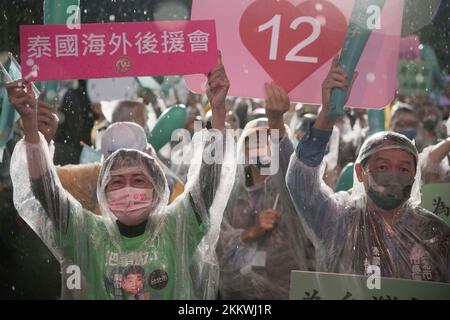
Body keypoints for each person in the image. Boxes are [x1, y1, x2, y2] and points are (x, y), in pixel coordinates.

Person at [7, 53, 236, 299]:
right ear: (103, 192)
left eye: (138, 180)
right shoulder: (87, 233)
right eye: (117, 182)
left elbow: (207, 184)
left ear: (157, 188)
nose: (128, 189)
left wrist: (219, 110)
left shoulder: (178, 227)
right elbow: (46, 191)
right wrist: (30, 128)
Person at [286, 56, 450, 282]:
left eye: (403, 169)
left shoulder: (434, 231)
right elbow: (301, 183)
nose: (393, 175)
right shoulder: (338, 220)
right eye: (383, 166)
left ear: (414, 175)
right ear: (360, 172)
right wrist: (326, 116)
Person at [217, 82, 313, 299]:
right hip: (238, 296)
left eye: (268, 140)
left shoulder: (291, 189)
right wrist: (251, 233)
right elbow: (217, 245)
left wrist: (276, 121)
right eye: (254, 142)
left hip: (285, 291)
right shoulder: (230, 191)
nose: (261, 148)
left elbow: (291, 163)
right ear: (242, 150)